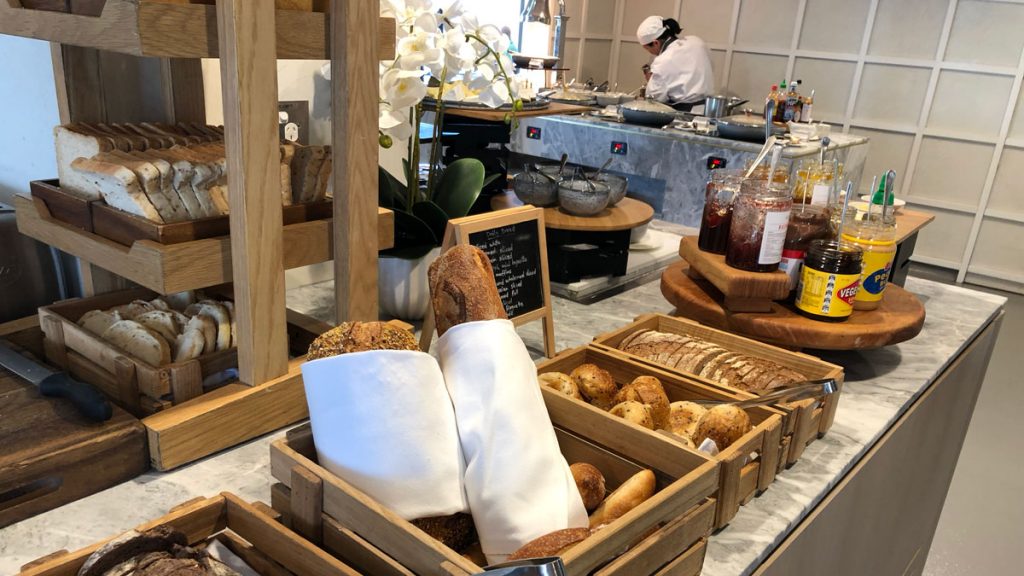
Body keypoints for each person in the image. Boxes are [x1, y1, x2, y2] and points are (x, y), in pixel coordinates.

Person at [636, 16, 714, 112]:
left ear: (655, 43)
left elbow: (653, 99)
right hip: (708, 110)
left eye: (647, 48)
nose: (650, 52)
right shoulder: (697, 41)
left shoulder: (663, 61)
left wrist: (651, 80)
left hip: (683, 114)